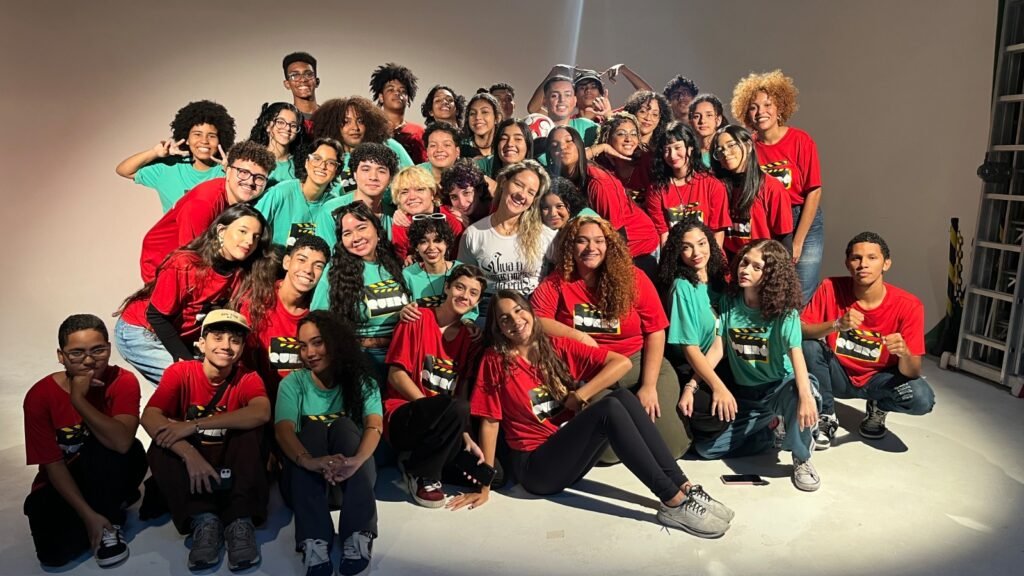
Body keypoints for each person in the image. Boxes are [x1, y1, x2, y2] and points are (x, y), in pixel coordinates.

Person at [450, 291, 733, 540]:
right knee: (609, 409)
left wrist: (581, 394)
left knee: (622, 397)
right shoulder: (495, 361)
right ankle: (672, 501)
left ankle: (684, 487)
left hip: (566, 456)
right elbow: (490, 422)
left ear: (531, 312)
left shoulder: (555, 346)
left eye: (518, 310)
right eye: (505, 319)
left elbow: (621, 363)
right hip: (535, 469)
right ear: (498, 328)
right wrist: (484, 484)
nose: (515, 320)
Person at [531, 216, 690, 460]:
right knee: (606, 455)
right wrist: (578, 337)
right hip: (594, 371)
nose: (591, 248)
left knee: (671, 449)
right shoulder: (559, 281)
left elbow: (655, 330)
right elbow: (537, 319)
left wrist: (648, 386)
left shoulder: (632, 278)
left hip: (639, 364)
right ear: (570, 246)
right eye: (582, 241)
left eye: (599, 241)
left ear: (609, 245)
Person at [141, 309, 271, 571]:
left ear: (242, 348)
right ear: (201, 344)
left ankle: (239, 520)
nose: (226, 346)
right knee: (161, 444)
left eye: (235, 340)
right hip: (194, 461)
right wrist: (189, 454)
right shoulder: (180, 372)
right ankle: (204, 520)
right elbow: (150, 417)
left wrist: (194, 425)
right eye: (218, 337)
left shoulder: (248, 377)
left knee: (253, 432)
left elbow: (261, 412)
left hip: (231, 460)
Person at [694, 240, 822, 492]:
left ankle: (801, 457)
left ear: (771, 275)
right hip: (747, 395)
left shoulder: (784, 312)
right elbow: (718, 348)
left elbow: (796, 353)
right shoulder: (730, 301)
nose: (745, 270)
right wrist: (693, 383)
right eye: (744, 262)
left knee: (801, 393)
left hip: (779, 387)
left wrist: (806, 396)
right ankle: (770, 430)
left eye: (756, 267)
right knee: (706, 449)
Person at [23, 314, 146, 568]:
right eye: (77, 353)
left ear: (109, 348)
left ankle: (110, 522)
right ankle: (102, 513)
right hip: (66, 476)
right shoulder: (39, 396)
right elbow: (53, 464)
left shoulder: (123, 381)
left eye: (98, 350)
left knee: (116, 448)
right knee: (54, 556)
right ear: (61, 356)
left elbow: (122, 443)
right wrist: (87, 515)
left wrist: (78, 400)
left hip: (109, 464)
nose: (89, 361)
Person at [801, 232, 935, 449]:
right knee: (808, 347)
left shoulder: (909, 305)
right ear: (847, 263)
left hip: (879, 380)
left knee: (922, 398)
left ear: (886, 264)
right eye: (856, 258)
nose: (863, 264)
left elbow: (912, 372)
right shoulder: (830, 287)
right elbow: (801, 332)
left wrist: (904, 352)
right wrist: (836, 324)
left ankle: (879, 407)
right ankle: (826, 415)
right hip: (839, 376)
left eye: (872, 258)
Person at [116, 204, 278, 384]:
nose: (249, 241)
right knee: (192, 383)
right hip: (141, 330)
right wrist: (184, 359)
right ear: (221, 231)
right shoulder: (185, 263)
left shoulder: (242, 273)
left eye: (256, 237)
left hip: (178, 335)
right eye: (243, 231)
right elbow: (156, 316)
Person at [275, 311, 382, 576]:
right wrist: (310, 462)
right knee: (313, 429)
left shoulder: (362, 382)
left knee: (345, 426)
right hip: (306, 484)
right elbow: (283, 430)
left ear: (336, 341)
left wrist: (356, 461)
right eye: (303, 346)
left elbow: (374, 425)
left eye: (317, 342)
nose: (309, 353)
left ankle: (358, 534)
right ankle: (314, 539)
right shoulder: (292, 384)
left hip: (350, 482)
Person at [385, 265, 487, 507]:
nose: (465, 296)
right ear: (447, 287)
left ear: (477, 302)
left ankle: (418, 462)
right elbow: (395, 376)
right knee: (453, 407)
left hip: (445, 422)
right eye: (460, 287)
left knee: (493, 475)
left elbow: (461, 394)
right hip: (404, 415)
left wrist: (465, 434)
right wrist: (434, 411)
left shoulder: (469, 338)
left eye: (473, 293)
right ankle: (422, 474)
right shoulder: (416, 318)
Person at [734, 70, 824, 303]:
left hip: (801, 218)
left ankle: (796, 328)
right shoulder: (749, 147)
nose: (760, 112)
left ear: (780, 107)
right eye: (753, 107)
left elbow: (814, 191)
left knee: (801, 290)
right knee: (770, 287)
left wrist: (797, 241)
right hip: (768, 220)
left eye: (767, 105)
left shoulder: (800, 140)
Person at [136, 140, 275, 282]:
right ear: (228, 171)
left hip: (193, 263)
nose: (250, 182)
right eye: (243, 172)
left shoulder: (238, 202)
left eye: (259, 178)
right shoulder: (204, 203)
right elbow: (189, 257)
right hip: (162, 265)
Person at [314, 202, 411, 388]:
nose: (356, 237)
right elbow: (319, 322)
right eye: (347, 233)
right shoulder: (334, 272)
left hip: (402, 357)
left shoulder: (395, 263)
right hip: (361, 360)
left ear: (377, 230)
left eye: (361, 228)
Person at [546, 126, 659, 279]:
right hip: (602, 246)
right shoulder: (558, 178)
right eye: (555, 145)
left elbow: (617, 235)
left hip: (637, 247)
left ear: (579, 145)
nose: (562, 147)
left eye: (568, 141)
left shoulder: (599, 183)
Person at [658, 218, 733, 446]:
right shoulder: (682, 287)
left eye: (701, 243)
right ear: (677, 253)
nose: (696, 253)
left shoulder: (719, 282)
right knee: (713, 414)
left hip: (719, 361)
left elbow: (720, 340)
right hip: (690, 364)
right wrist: (713, 386)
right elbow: (690, 350)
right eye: (686, 247)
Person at [457, 160, 556, 318]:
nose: (522, 194)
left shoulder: (546, 235)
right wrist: (468, 321)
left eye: (531, 192)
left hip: (532, 309)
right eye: (518, 184)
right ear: (503, 182)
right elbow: (463, 282)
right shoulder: (474, 234)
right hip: (489, 311)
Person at [245, 235, 331, 400]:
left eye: (318, 266)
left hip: (306, 403)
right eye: (301, 260)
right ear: (286, 262)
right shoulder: (256, 302)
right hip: (262, 401)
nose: (308, 270)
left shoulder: (320, 313)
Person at [115, 100, 234, 213]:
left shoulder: (227, 172)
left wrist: (232, 173)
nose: (204, 141)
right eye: (197, 134)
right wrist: (154, 153)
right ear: (186, 139)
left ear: (220, 140)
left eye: (211, 136)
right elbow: (124, 170)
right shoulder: (169, 167)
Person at [709, 125, 793, 261]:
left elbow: (784, 238)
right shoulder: (717, 188)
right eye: (720, 150)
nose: (725, 153)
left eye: (731, 145)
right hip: (729, 266)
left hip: (762, 264)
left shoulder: (771, 187)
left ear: (748, 146)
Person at [647, 121, 730, 247]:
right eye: (667, 150)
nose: (672, 155)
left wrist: (712, 258)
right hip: (676, 254)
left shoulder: (712, 185)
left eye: (677, 147)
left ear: (690, 148)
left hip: (709, 253)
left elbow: (717, 231)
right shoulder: (656, 189)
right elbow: (663, 235)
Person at [310, 97, 413, 194]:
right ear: (333, 126)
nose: (355, 127)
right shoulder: (328, 157)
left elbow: (415, 179)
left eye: (360, 121)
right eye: (346, 122)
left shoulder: (390, 146)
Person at [255, 137, 344, 248]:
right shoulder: (281, 192)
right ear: (306, 163)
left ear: (337, 171)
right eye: (317, 159)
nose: (322, 166)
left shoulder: (334, 206)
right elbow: (251, 225)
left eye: (330, 163)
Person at [389, 165, 464, 261]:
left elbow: (461, 259)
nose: (412, 197)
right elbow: (399, 261)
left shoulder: (451, 218)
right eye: (404, 192)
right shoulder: (402, 224)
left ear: (432, 193)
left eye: (419, 189)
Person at [370, 62, 426, 164]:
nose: (397, 93)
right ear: (381, 97)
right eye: (390, 90)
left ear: (407, 99)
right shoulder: (371, 129)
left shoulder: (419, 132)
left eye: (402, 91)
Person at [591, 112, 651, 203]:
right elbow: (573, 162)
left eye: (633, 134)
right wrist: (603, 147)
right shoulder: (601, 166)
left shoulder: (648, 160)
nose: (629, 139)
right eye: (621, 134)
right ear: (608, 138)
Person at [527, 72, 599, 146]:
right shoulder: (536, 128)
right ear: (544, 101)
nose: (562, 100)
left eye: (567, 95)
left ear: (575, 100)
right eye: (554, 95)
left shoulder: (588, 127)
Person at [248, 102, 305, 188]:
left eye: (293, 125)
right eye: (280, 122)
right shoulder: (250, 159)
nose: (287, 128)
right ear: (267, 125)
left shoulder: (302, 165)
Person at [440, 159, 492, 230]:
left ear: (479, 190)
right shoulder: (451, 212)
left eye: (466, 193)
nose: (462, 203)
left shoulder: (495, 210)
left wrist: (473, 228)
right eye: (454, 197)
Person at [282, 52, 320, 132]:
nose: (303, 79)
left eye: (308, 74)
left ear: (317, 81)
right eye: (295, 76)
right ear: (287, 84)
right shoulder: (284, 121)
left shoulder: (331, 117)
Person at [688, 94, 727, 167]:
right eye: (696, 116)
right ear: (690, 122)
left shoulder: (727, 151)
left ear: (718, 120)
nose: (702, 121)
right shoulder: (688, 154)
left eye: (709, 115)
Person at [461, 92, 502, 159]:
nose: (477, 117)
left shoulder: (504, 147)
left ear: (497, 118)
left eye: (484, 112)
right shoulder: (459, 148)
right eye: (472, 113)